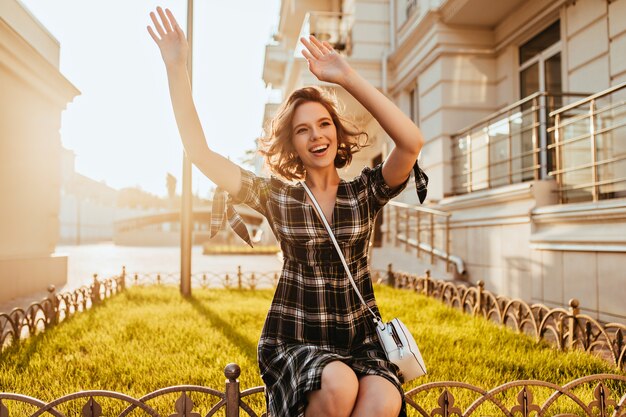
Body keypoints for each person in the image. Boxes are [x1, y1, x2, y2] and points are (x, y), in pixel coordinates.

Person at [147, 6, 428, 417]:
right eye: (303, 129)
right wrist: (177, 69)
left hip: (360, 339)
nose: (317, 135)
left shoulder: (363, 193)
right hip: (296, 337)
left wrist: (346, 77)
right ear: (293, 145)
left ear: (337, 132)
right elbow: (200, 154)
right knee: (339, 382)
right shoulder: (280, 198)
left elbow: (411, 143)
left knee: (384, 399)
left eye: (324, 124)